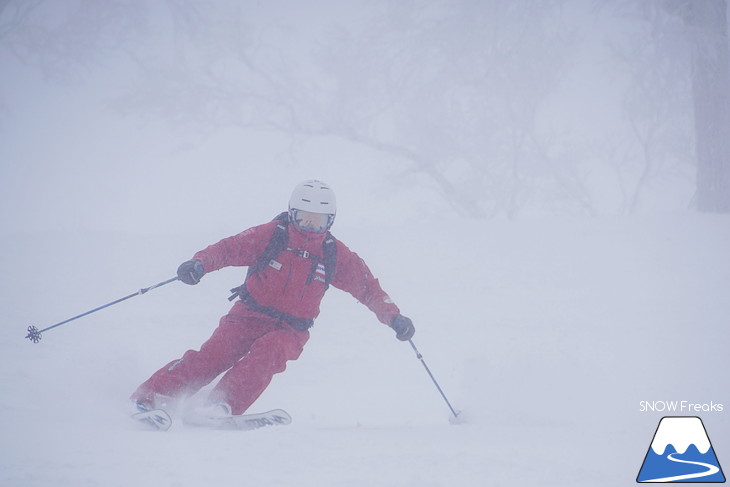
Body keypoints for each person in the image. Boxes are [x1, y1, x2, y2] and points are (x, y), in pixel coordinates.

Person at [130, 179, 415, 418]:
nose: (309, 227)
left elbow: (368, 289)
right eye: (304, 218)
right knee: (212, 356)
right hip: (247, 316)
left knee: (269, 354)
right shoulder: (271, 236)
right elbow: (229, 248)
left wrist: (394, 317)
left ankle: (220, 407)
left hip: (291, 330)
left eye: (318, 222)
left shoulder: (334, 254)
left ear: (331, 220)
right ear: (291, 213)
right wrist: (200, 264)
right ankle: (151, 397)